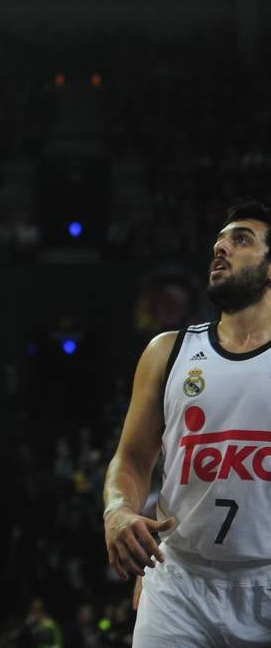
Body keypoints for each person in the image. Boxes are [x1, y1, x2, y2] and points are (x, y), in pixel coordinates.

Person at [102, 200, 271, 646]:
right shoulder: (167, 350)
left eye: (240, 240)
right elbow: (133, 457)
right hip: (179, 580)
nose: (221, 248)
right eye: (219, 240)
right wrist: (118, 510)